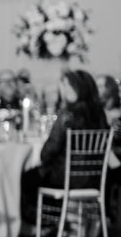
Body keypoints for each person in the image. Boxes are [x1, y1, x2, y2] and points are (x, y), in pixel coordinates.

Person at [21, 70, 108, 224]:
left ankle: (43, 222)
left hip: (66, 178)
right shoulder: (99, 115)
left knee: (28, 177)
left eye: (69, 85)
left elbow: (47, 153)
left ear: (81, 87)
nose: (65, 89)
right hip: (95, 178)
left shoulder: (67, 116)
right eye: (64, 85)